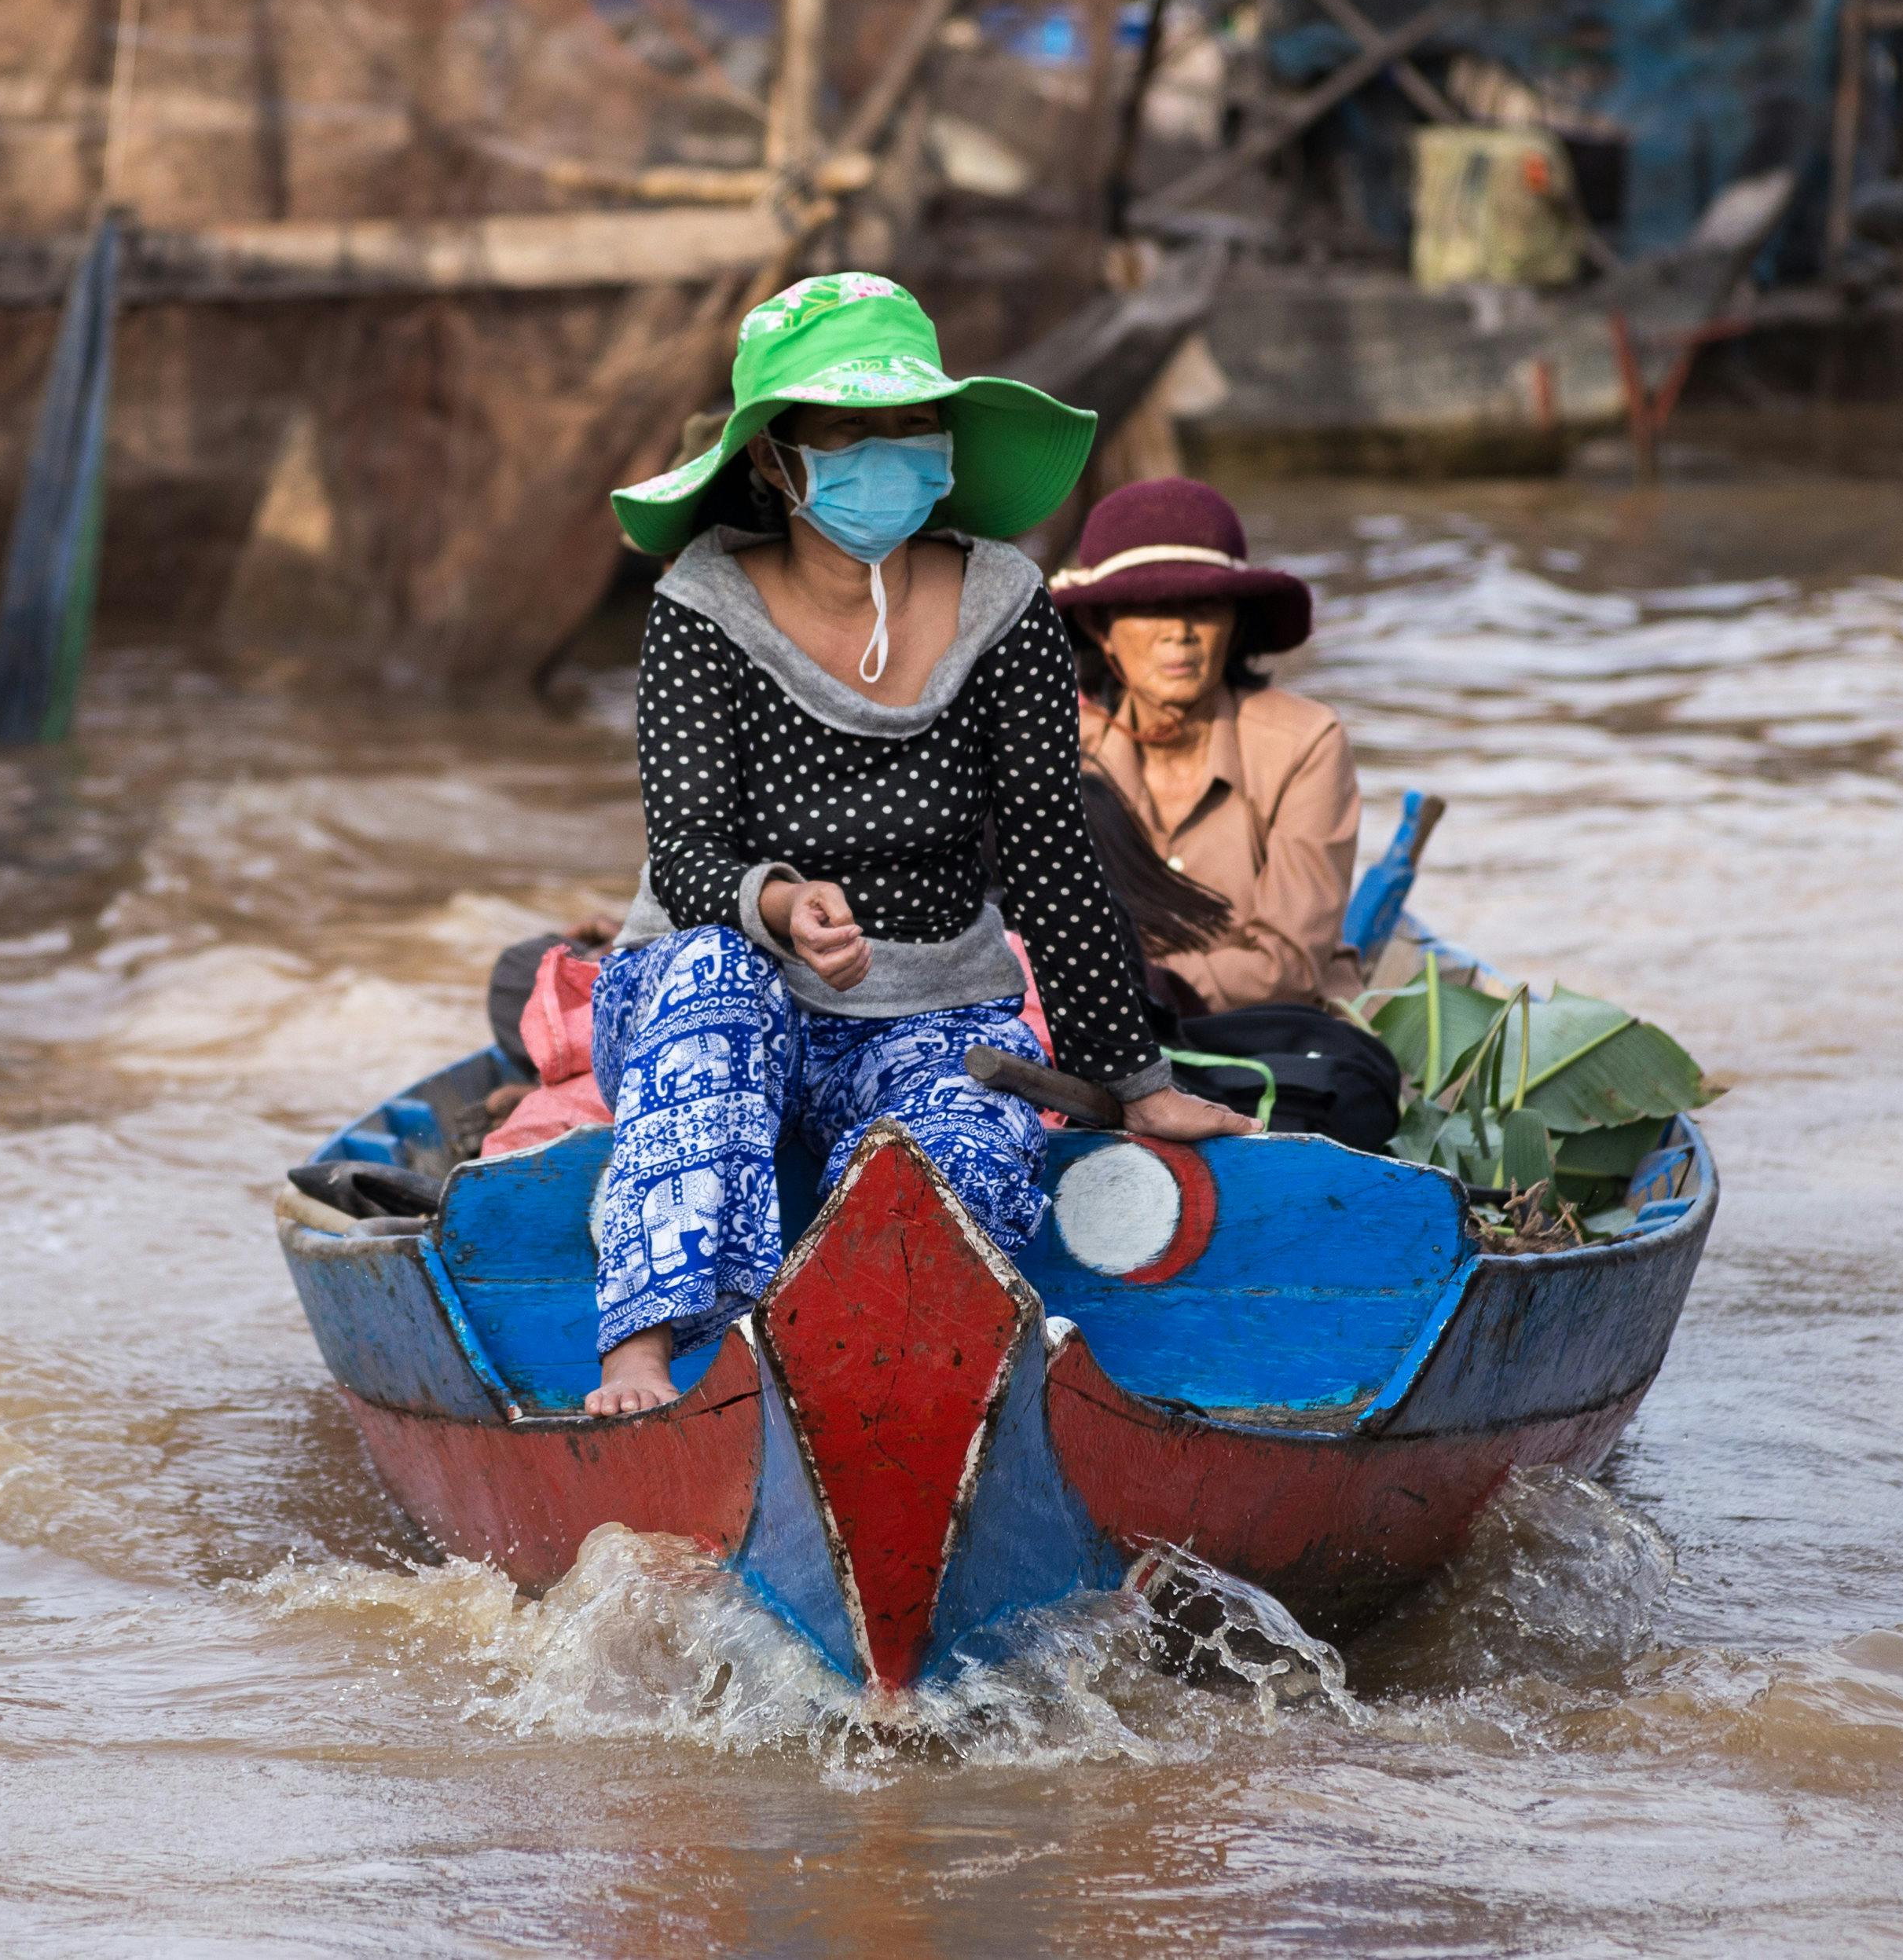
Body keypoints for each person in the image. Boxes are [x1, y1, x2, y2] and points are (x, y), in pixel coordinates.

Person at [583, 273, 1250, 1418]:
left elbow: (1049, 852)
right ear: (776, 462)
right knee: (720, 971)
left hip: (934, 1007)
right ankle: (641, 1347)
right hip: (713, 996)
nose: (886, 456)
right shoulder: (701, 606)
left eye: (908, 426)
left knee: (972, 1137)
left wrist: (1137, 1078)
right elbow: (686, 852)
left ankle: (865, 1378)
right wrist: (783, 904)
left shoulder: (1005, 600)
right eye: (850, 432)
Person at [1048, 478, 1361, 1017]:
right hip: (1114, 1030)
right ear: (1101, 627)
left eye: (1204, 605)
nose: (1180, 631)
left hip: (1281, 1033)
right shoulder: (1060, 745)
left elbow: (1289, 962)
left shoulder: (1306, 742)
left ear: (1235, 623)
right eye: (1149, 608)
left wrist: (1138, 986)